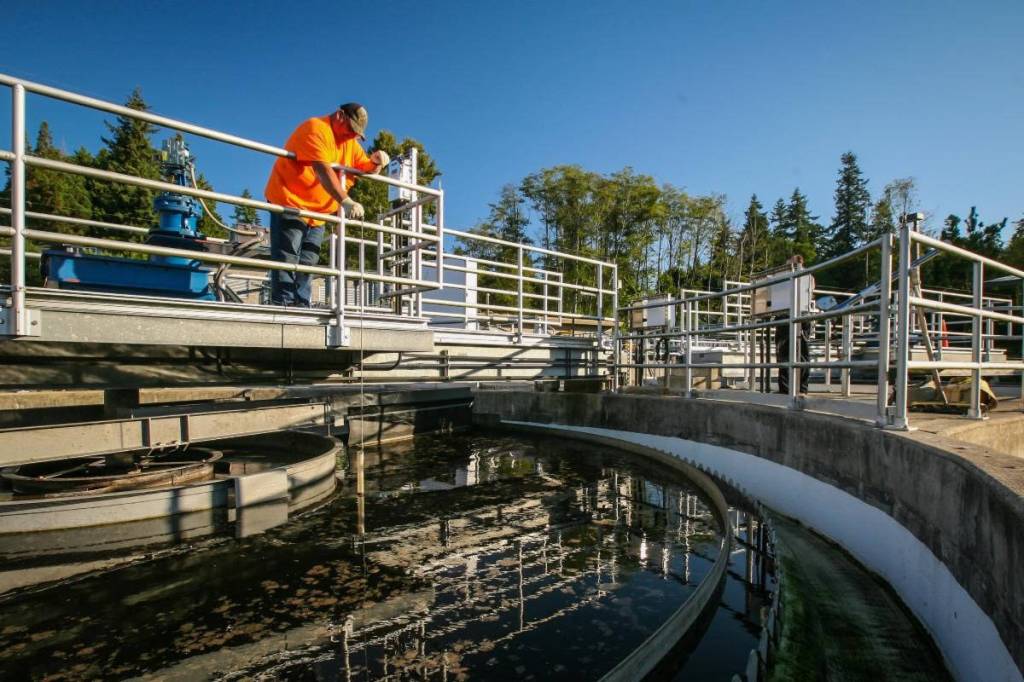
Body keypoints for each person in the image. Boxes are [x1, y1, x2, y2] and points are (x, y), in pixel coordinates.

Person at [264, 103, 389, 306]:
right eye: (351, 129)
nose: (352, 136)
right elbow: (322, 170)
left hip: (318, 212)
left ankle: (301, 304)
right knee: (287, 255)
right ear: (340, 116)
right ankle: (284, 306)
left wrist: (375, 162)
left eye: (356, 134)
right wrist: (345, 201)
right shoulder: (316, 128)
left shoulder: (349, 142)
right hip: (290, 200)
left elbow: (363, 166)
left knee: (309, 260)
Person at [775, 255, 811, 394]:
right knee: (803, 353)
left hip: (787, 314)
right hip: (804, 315)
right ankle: (802, 388)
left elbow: (776, 294)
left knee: (784, 353)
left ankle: (786, 389)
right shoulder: (808, 276)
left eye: (787, 265)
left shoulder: (785, 277)